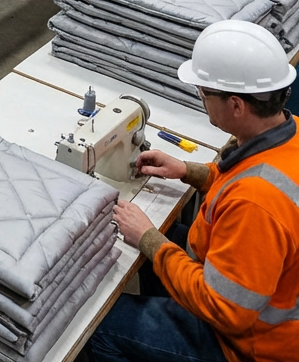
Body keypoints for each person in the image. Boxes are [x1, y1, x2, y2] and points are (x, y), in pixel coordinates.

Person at [88, 19, 299, 362]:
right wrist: (190, 171)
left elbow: (224, 311)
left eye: (204, 93)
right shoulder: (291, 134)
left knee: (103, 325)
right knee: (166, 238)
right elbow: (251, 174)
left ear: (236, 106)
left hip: (248, 345)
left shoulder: (255, 203)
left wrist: (149, 239)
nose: (202, 99)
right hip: (260, 293)